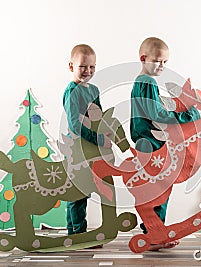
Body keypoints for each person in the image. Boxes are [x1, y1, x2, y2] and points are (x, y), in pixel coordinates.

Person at [130, 37, 201, 250]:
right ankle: (155, 232)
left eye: (165, 62)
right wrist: (187, 116)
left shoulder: (141, 82)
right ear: (143, 58)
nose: (162, 66)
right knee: (162, 186)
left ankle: (153, 228)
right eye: (158, 61)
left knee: (156, 186)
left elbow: (155, 108)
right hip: (151, 142)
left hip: (145, 140)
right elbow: (156, 114)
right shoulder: (147, 82)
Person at [63, 44, 111, 242]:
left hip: (91, 148)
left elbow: (98, 117)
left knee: (88, 190)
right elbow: (75, 124)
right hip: (77, 148)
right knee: (77, 192)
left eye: (92, 67)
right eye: (83, 66)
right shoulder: (72, 91)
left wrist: (106, 133)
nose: (88, 71)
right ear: (71, 66)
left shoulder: (94, 89)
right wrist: (97, 139)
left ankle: (76, 233)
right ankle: (76, 234)